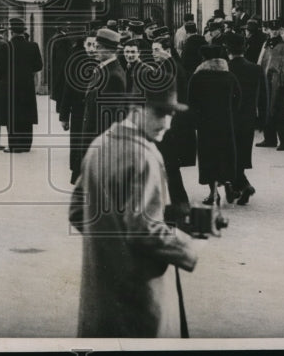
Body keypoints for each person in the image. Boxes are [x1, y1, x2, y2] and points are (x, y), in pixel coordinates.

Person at [69, 83, 199, 337]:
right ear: (137, 109)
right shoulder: (143, 156)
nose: (167, 124)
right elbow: (144, 230)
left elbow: (77, 211)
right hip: (139, 297)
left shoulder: (99, 145)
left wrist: (112, 243)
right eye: (160, 113)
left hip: (101, 292)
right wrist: (189, 245)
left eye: (171, 115)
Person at [186, 44, 239, 206]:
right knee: (226, 153)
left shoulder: (197, 77)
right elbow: (238, 97)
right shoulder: (229, 76)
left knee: (208, 156)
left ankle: (213, 193)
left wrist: (195, 120)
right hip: (226, 122)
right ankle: (228, 183)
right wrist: (231, 113)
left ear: (204, 59)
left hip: (205, 124)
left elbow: (191, 101)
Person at [149, 35, 195, 208]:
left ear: (167, 50)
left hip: (170, 125)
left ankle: (180, 203)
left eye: (156, 50)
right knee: (167, 165)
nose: (153, 53)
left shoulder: (170, 69)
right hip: (171, 123)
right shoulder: (170, 66)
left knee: (169, 165)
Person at [223, 31, 265, 205]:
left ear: (227, 50)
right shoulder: (256, 69)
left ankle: (242, 185)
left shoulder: (225, 68)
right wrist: (262, 119)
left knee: (227, 153)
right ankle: (237, 186)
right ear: (245, 48)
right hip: (247, 118)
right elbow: (263, 96)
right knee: (241, 153)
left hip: (227, 118)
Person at [79, 28, 130, 166]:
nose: (94, 50)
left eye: (98, 47)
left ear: (109, 50)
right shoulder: (104, 69)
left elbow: (109, 118)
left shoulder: (113, 76)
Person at [59, 33, 98, 184]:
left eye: (95, 45)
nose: (92, 49)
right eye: (89, 45)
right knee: (77, 143)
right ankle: (78, 174)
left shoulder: (101, 63)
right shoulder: (76, 63)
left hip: (93, 113)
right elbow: (67, 90)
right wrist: (63, 115)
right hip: (78, 111)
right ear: (84, 46)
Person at [2, 17, 43, 152]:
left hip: (10, 85)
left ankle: (14, 145)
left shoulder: (5, 46)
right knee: (26, 112)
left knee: (13, 113)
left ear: (11, 32)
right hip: (27, 85)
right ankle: (26, 145)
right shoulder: (33, 46)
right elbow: (39, 66)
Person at [257, 19, 284, 150]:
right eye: (272, 30)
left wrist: (281, 79)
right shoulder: (266, 44)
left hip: (278, 81)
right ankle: (269, 138)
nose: (274, 32)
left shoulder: (283, 46)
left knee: (278, 109)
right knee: (266, 108)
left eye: (277, 30)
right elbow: (261, 61)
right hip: (265, 80)